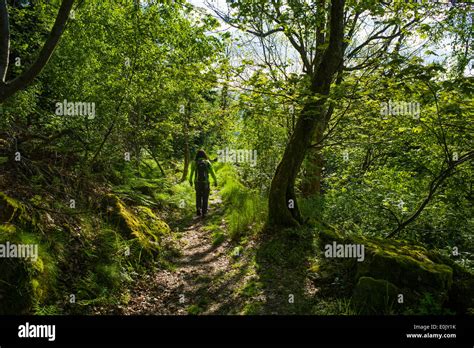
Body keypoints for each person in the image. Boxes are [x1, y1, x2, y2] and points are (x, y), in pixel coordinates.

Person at [189, 149, 217, 217]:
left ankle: (198, 209)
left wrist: (190, 181)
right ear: (204, 155)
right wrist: (215, 181)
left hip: (197, 182)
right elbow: (212, 173)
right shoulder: (207, 162)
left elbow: (191, 173)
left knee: (198, 195)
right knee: (205, 196)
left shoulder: (194, 162)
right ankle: (204, 212)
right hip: (206, 182)